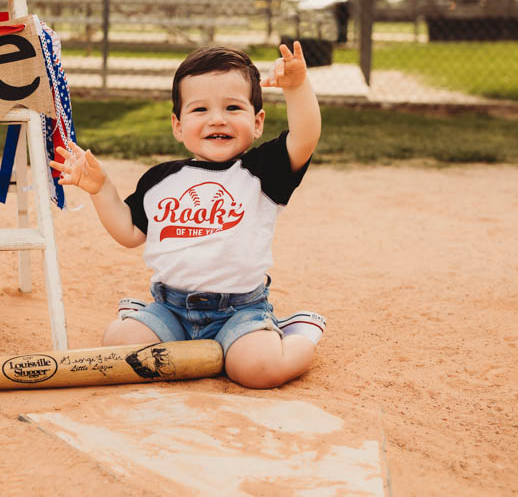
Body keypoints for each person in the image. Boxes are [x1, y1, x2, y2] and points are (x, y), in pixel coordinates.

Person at [50, 42, 325, 389]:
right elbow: (129, 232)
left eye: (232, 107)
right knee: (118, 346)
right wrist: (102, 189)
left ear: (257, 123)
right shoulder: (162, 179)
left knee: (259, 370)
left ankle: (299, 332)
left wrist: (297, 86)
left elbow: (305, 136)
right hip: (172, 308)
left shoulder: (262, 172)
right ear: (178, 126)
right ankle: (142, 315)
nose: (217, 118)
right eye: (200, 110)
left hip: (240, 311)